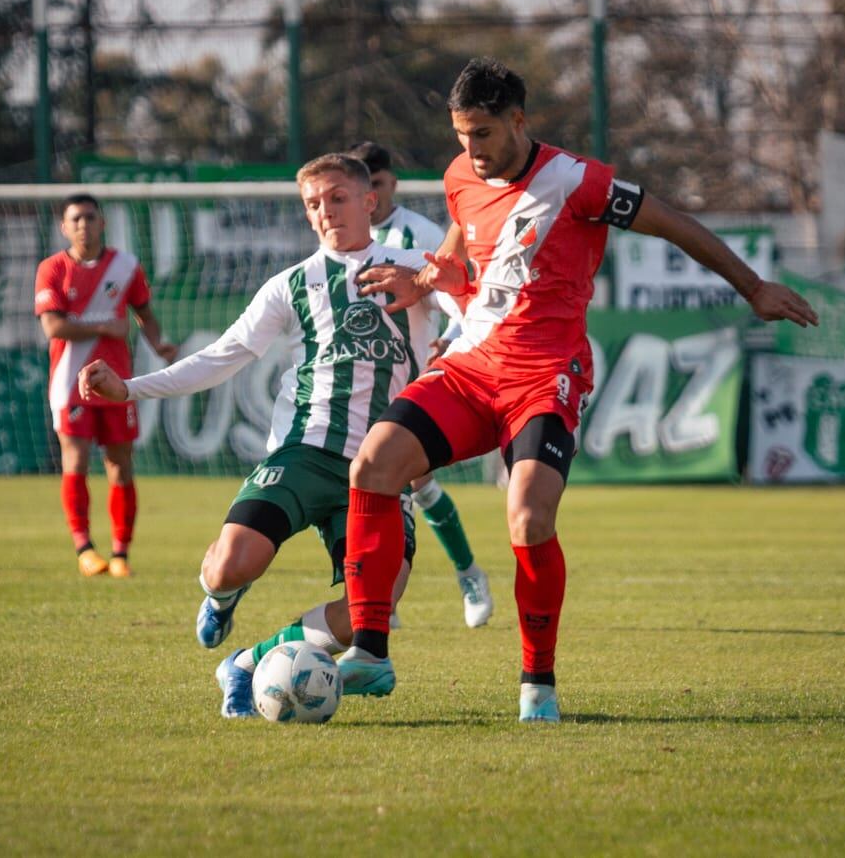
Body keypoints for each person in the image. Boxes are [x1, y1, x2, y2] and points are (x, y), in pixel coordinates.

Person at [341, 57, 818, 722]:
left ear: (518, 121)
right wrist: (425, 280)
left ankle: (538, 682)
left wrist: (755, 288)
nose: (468, 149)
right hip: (473, 365)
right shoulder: (460, 177)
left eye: (481, 133)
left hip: (545, 376)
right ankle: (370, 652)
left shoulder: (579, 182)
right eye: (459, 134)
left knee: (529, 516)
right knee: (373, 464)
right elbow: (461, 235)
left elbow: (675, 223)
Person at [77, 153, 457, 718]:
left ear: (369, 201)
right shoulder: (294, 284)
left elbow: (471, 308)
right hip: (303, 450)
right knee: (229, 563)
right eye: (313, 204)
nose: (326, 212)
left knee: (370, 612)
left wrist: (452, 344)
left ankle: (248, 663)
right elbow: (223, 356)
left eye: (337, 198)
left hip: (382, 465)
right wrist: (129, 389)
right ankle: (223, 594)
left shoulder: (415, 268)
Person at [348, 140, 492, 629]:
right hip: (365, 378)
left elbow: (459, 291)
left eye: (379, 183)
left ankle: (464, 573)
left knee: (411, 483)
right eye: (362, 185)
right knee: (376, 485)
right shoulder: (342, 233)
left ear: (392, 184)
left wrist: (449, 340)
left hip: (417, 372)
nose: (372, 194)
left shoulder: (421, 231)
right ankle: (379, 600)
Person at [35, 193, 177, 578]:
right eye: (75, 219)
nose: (83, 225)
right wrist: (104, 326)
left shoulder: (126, 266)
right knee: (76, 461)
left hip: (116, 384)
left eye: (90, 217)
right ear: (64, 227)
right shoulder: (52, 269)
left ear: (103, 223)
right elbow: (53, 326)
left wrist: (159, 343)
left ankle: (120, 554)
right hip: (69, 383)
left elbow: (145, 314)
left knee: (120, 467)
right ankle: (84, 547)